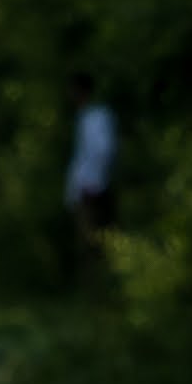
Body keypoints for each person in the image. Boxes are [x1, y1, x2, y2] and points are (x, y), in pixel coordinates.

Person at [64, 73, 118, 254]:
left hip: (92, 189)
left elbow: (103, 150)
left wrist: (92, 182)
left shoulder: (95, 117)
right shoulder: (86, 116)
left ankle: (101, 279)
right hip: (87, 188)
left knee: (94, 242)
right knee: (89, 241)